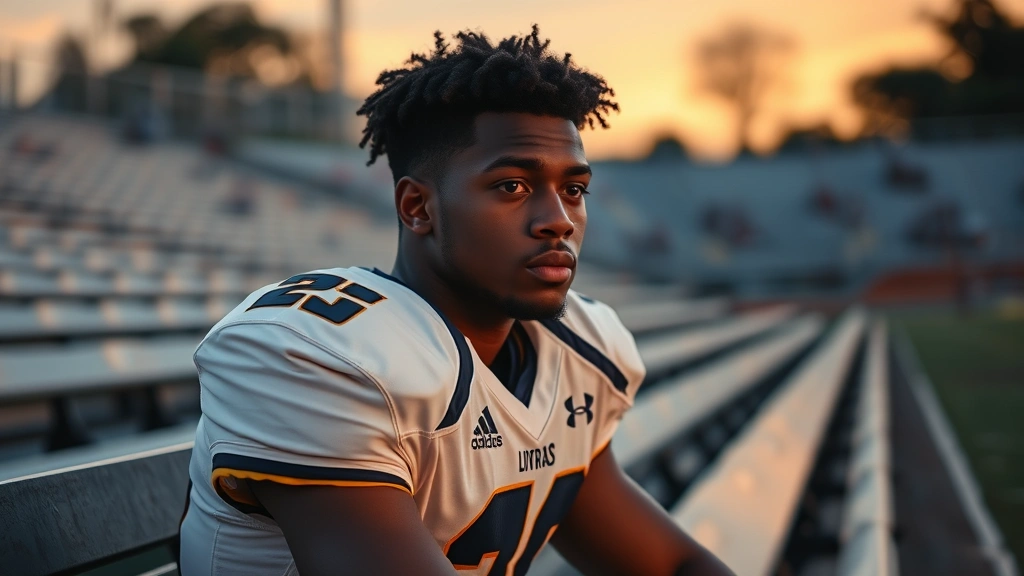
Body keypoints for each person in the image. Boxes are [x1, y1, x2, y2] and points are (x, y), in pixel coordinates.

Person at [179, 26, 734, 576]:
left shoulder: (577, 352)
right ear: (418, 207)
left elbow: (672, 564)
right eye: (513, 186)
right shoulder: (319, 357)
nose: (559, 221)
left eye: (574, 190)